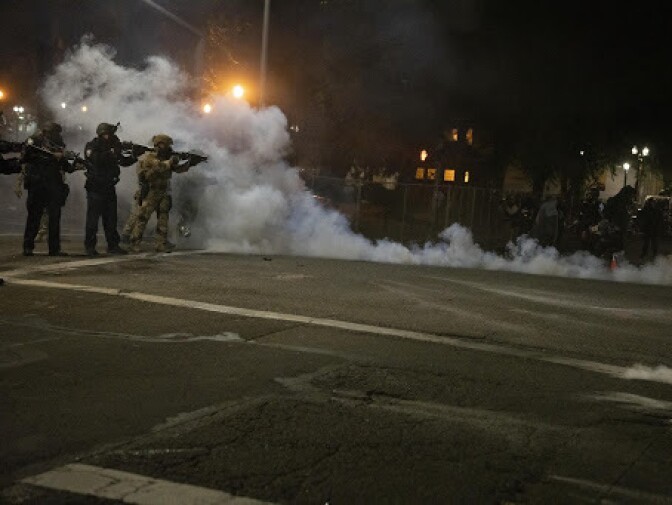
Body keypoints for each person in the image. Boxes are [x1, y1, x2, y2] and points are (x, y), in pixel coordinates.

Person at [128, 134, 193, 253]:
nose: (168, 147)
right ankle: (134, 243)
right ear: (159, 144)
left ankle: (160, 243)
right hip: (151, 191)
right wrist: (171, 161)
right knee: (143, 218)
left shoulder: (166, 157)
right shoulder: (149, 156)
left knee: (163, 219)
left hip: (163, 191)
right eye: (166, 145)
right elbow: (159, 167)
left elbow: (178, 169)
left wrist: (189, 163)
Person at [21, 122, 77, 256]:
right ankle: (28, 247)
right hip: (38, 184)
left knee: (54, 218)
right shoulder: (35, 143)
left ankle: (54, 248)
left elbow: (66, 166)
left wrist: (74, 163)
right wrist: (51, 156)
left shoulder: (57, 146)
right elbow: (26, 157)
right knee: (34, 217)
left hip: (53, 186)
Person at [83, 123, 136, 256]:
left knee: (111, 219)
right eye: (107, 134)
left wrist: (134, 156)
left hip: (109, 186)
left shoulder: (113, 146)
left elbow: (122, 161)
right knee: (93, 220)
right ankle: (90, 247)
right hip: (95, 187)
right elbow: (96, 159)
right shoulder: (92, 146)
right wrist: (112, 152)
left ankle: (113, 245)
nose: (110, 137)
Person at [638, 197, 664, 261]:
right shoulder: (646, 209)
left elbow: (660, 220)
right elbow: (641, 217)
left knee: (654, 243)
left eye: (653, 202)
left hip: (655, 229)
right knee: (646, 243)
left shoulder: (658, 210)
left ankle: (654, 254)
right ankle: (644, 253)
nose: (652, 204)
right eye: (651, 202)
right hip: (648, 229)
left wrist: (658, 228)